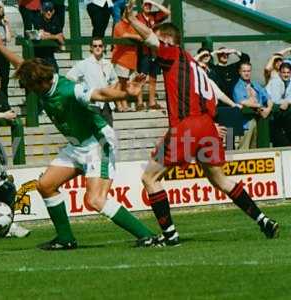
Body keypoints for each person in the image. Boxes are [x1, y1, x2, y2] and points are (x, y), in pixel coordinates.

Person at [125, 2, 279, 247]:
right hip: (206, 124)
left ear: (168, 41)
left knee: (149, 179)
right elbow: (213, 93)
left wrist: (131, 18)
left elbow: (151, 39)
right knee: (220, 179)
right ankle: (263, 220)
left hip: (188, 125)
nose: (153, 47)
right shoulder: (195, 65)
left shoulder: (173, 53)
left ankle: (170, 236)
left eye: (160, 40)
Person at [0, 33, 158, 250]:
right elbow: (20, 63)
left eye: (32, 87)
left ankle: (147, 236)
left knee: (95, 200)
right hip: (77, 145)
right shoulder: (37, 77)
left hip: (98, 142)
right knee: (45, 185)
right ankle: (65, 239)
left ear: (41, 81)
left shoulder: (69, 89)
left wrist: (126, 94)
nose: (31, 91)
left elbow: (99, 93)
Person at [66, 37, 118, 126]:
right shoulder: (84, 64)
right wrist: (83, 91)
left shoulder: (108, 64)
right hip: (91, 104)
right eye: (95, 46)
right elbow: (69, 77)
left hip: (106, 104)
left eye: (100, 46)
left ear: (104, 48)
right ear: (91, 48)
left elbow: (115, 80)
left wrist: (110, 91)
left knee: (108, 133)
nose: (98, 48)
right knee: (94, 133)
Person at [136, 0, 170, 111]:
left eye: (149, 5)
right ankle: (140, 103)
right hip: (143, 51)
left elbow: (167, 12)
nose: (148, 6)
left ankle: (151, 102)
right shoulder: (137, 17)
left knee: (153, 78)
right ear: (141, 6)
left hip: (155, 52)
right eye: (146, 4)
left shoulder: (154, 16)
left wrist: (153, 2)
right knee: (141, 77)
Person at [233, 62, 273, 149]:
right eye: (244, 71)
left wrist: (268, 108)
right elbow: (242, 102)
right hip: (245, 123)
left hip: (259, 121)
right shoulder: (238, 86)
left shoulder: (256, 84)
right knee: (244, 149)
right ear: (239, 72)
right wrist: (259, 106)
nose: (247, 73)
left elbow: (268, 98)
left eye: (248, 71)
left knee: (255, 150)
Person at [33, 1, 64, 72]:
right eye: (46, 10)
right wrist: (55, 36)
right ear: (42, 11)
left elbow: (61, 37)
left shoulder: (56, 19)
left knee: (55, 71)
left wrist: (49, 35)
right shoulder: (38, 19)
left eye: (51, 10)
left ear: (53, 11)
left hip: (49, 53)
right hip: (37, 53)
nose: (49, 12)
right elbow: (41, 36)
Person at [265, 62, 291, 146]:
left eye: (288, 72)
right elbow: (275, 100)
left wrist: (287, 101)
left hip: (279, 114)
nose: (286, 75)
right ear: (279, 73)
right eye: (284, 72)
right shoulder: (276, 81)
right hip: (268, 113)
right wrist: (285, 102)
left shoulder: (289, 82)